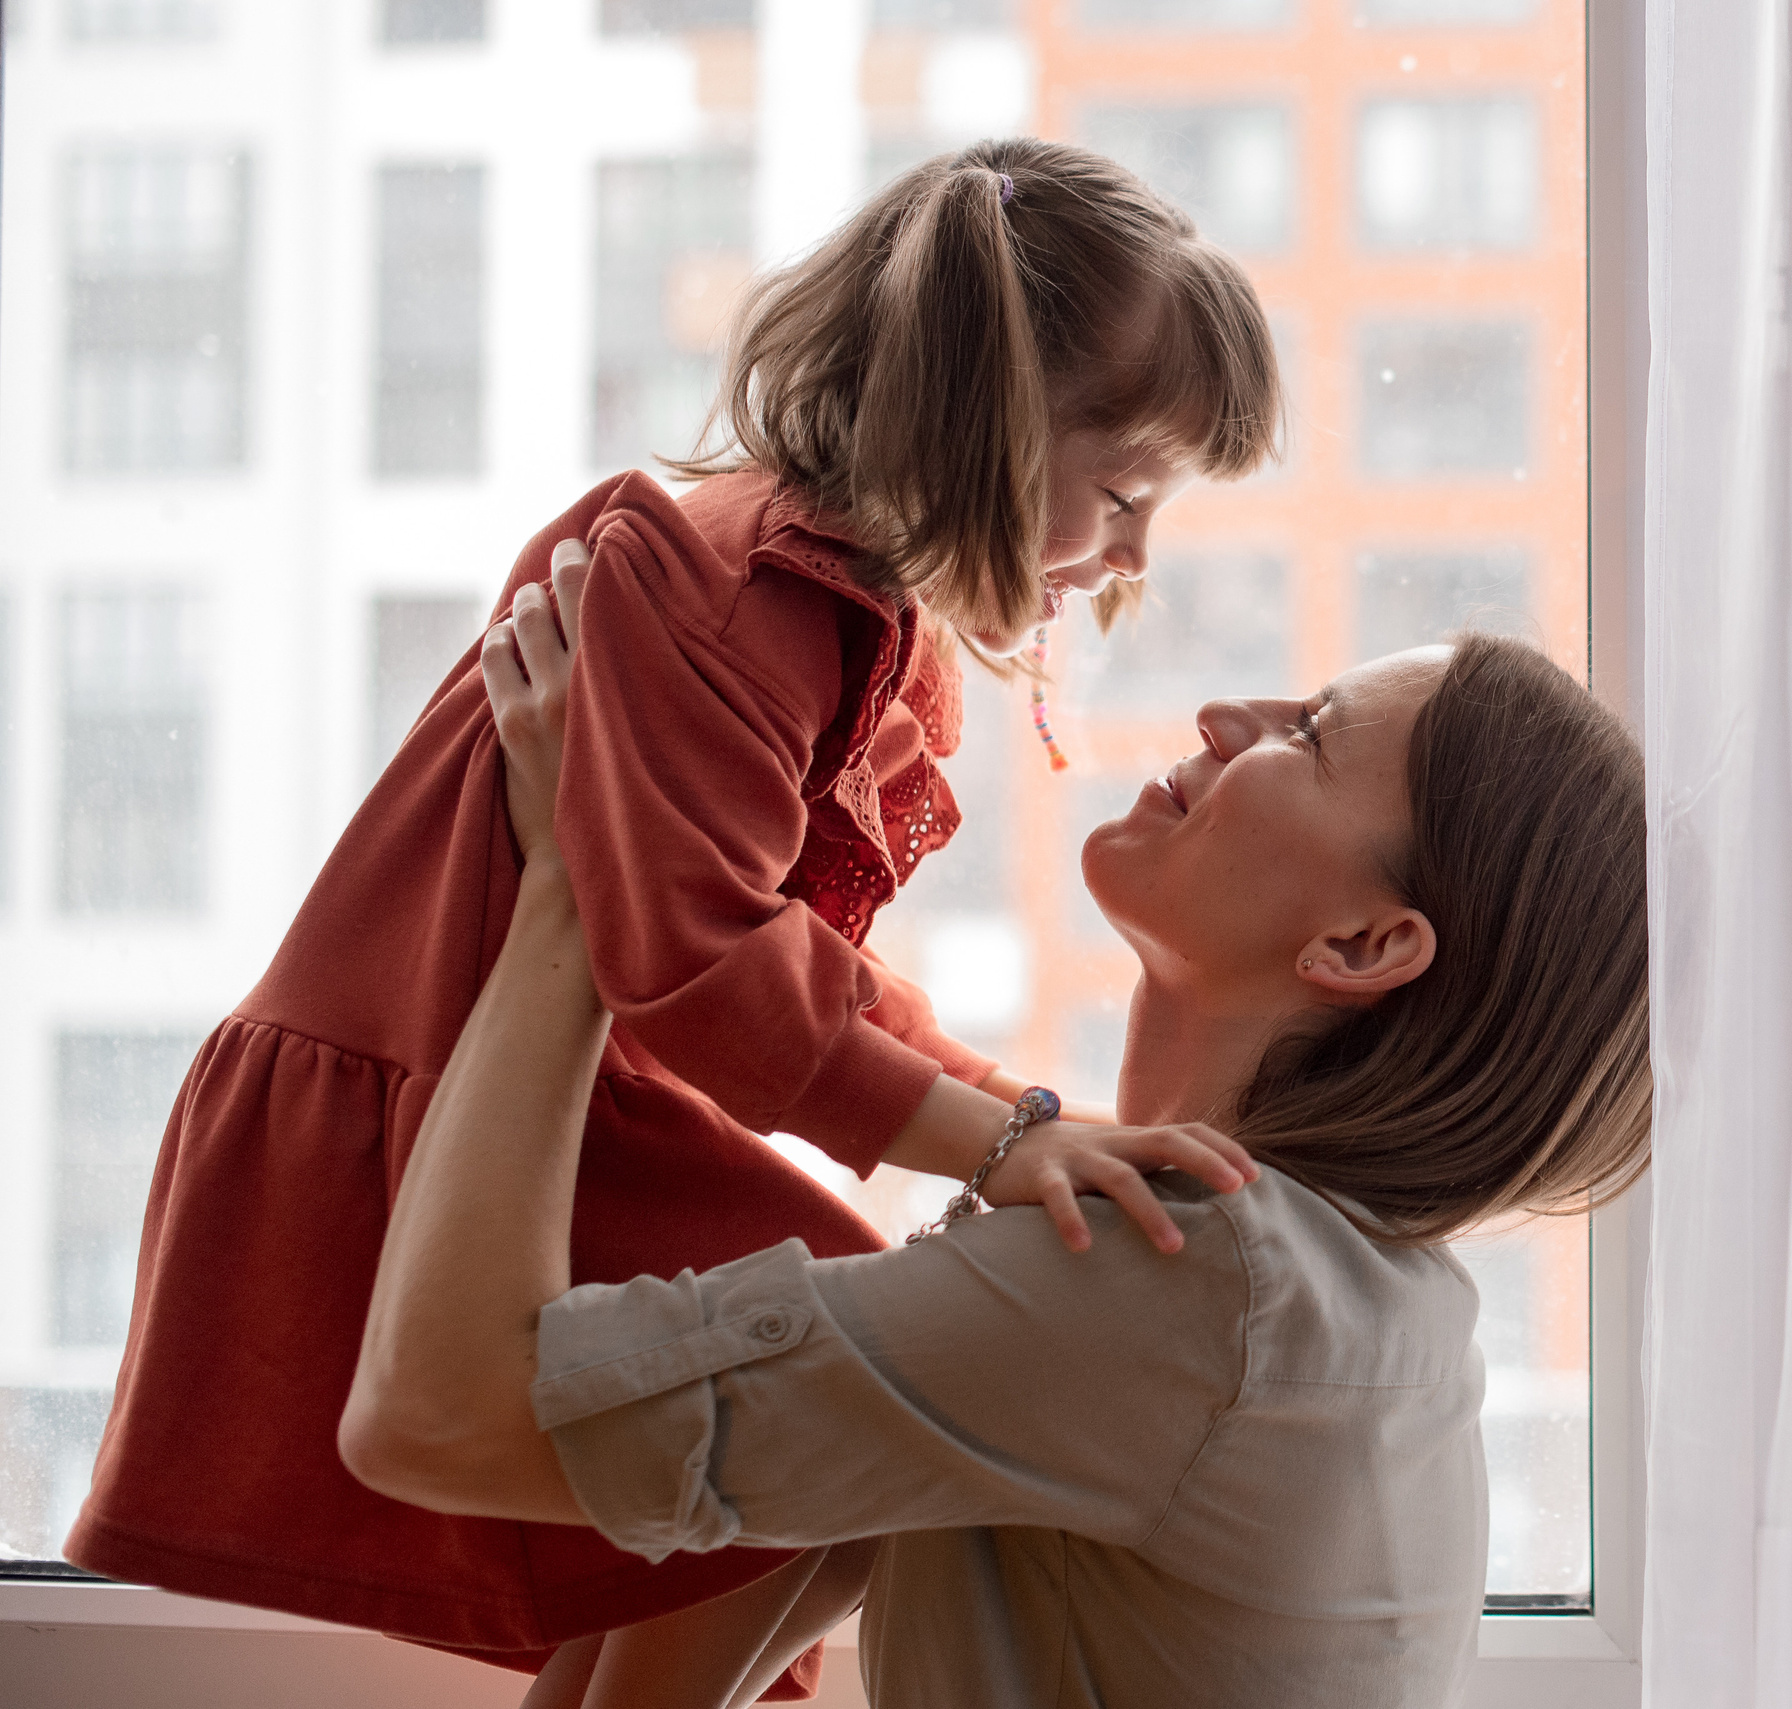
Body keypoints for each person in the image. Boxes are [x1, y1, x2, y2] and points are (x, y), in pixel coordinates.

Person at [66, 138, 1279, 1703]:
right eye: (1123, 496)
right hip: (472, 1116)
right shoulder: (732, 586)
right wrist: (997, 1136)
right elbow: (701, 966)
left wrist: (1020, 1115)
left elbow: (800, 974)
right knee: (850, 1403)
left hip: (560, 1104)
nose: (1127, 557)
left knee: (778, 1465)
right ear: (986, 416)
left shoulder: (837, 609)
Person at [339, 565, 1652, 1708]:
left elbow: (434, 1413)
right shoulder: (1342, 1299)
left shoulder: (1183, 1284)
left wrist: (581, 878)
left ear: (1365, 945)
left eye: (1307, 734)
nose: (1222, 716)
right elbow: (779, 1507)